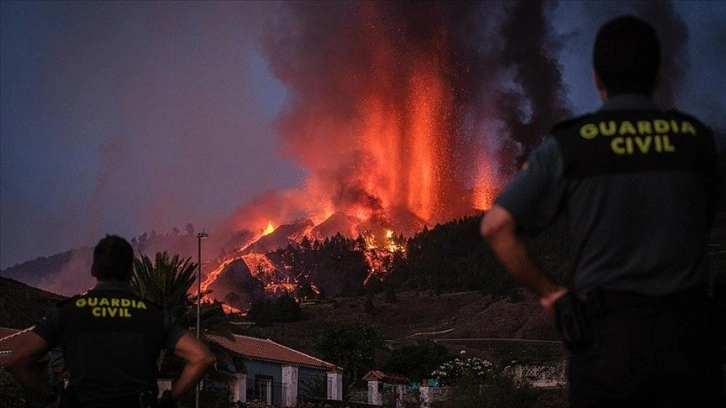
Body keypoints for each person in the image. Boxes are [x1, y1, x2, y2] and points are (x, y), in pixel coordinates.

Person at [480, 15, 724, 407]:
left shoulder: (575, 144)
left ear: (596, 78)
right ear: (659, 73)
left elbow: (495, 226)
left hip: (610, 349)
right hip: (689, 346)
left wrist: (552, 294)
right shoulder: (697, 142)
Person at [3, 235, 215, 407]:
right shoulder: (152, 315)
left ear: (93, 270)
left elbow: (16, 361)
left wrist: (52, 396)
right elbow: (202, 357)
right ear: (132, 271)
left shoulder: (68, 313)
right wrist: (168, 399)